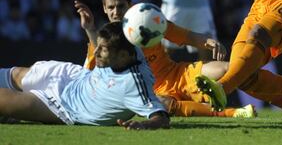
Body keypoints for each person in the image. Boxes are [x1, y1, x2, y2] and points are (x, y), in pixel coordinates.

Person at [78, 0, 282, 119]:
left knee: (231, 70)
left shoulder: (146, 20)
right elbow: (91, 69)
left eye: (120, 6)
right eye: (110, 7)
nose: (115, 12)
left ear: (130, 5)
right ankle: (233, 114)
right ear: (103, 8)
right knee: (162, 104)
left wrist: (207, 42)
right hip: (149, 92)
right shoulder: (106, 38)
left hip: (179, 75)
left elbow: (183, 35)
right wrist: (90, 31)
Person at [0, 22, 170, 130]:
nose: (95, 52)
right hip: (72, 76)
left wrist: (144, 124)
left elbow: (160, 117)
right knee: (14, 75)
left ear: (124, 56)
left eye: (102, 49)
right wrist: (90, 29)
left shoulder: (134, 82)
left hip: (63, 108)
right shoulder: (125, 46)